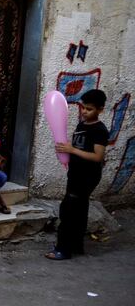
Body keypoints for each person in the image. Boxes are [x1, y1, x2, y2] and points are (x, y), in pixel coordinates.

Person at [46, 89, 109, 261]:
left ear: (100, 110)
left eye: (89, 109)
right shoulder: (82, 125)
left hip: (87, 176)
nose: (84, 111)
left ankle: (63, 249)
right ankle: (76, 246)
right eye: (83, 107)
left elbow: (97, 157)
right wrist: (67, 152)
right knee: (80, 210)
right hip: (76, 173)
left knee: (68, 210)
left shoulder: (99, 130)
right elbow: (78, 148)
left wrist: (71, 150)